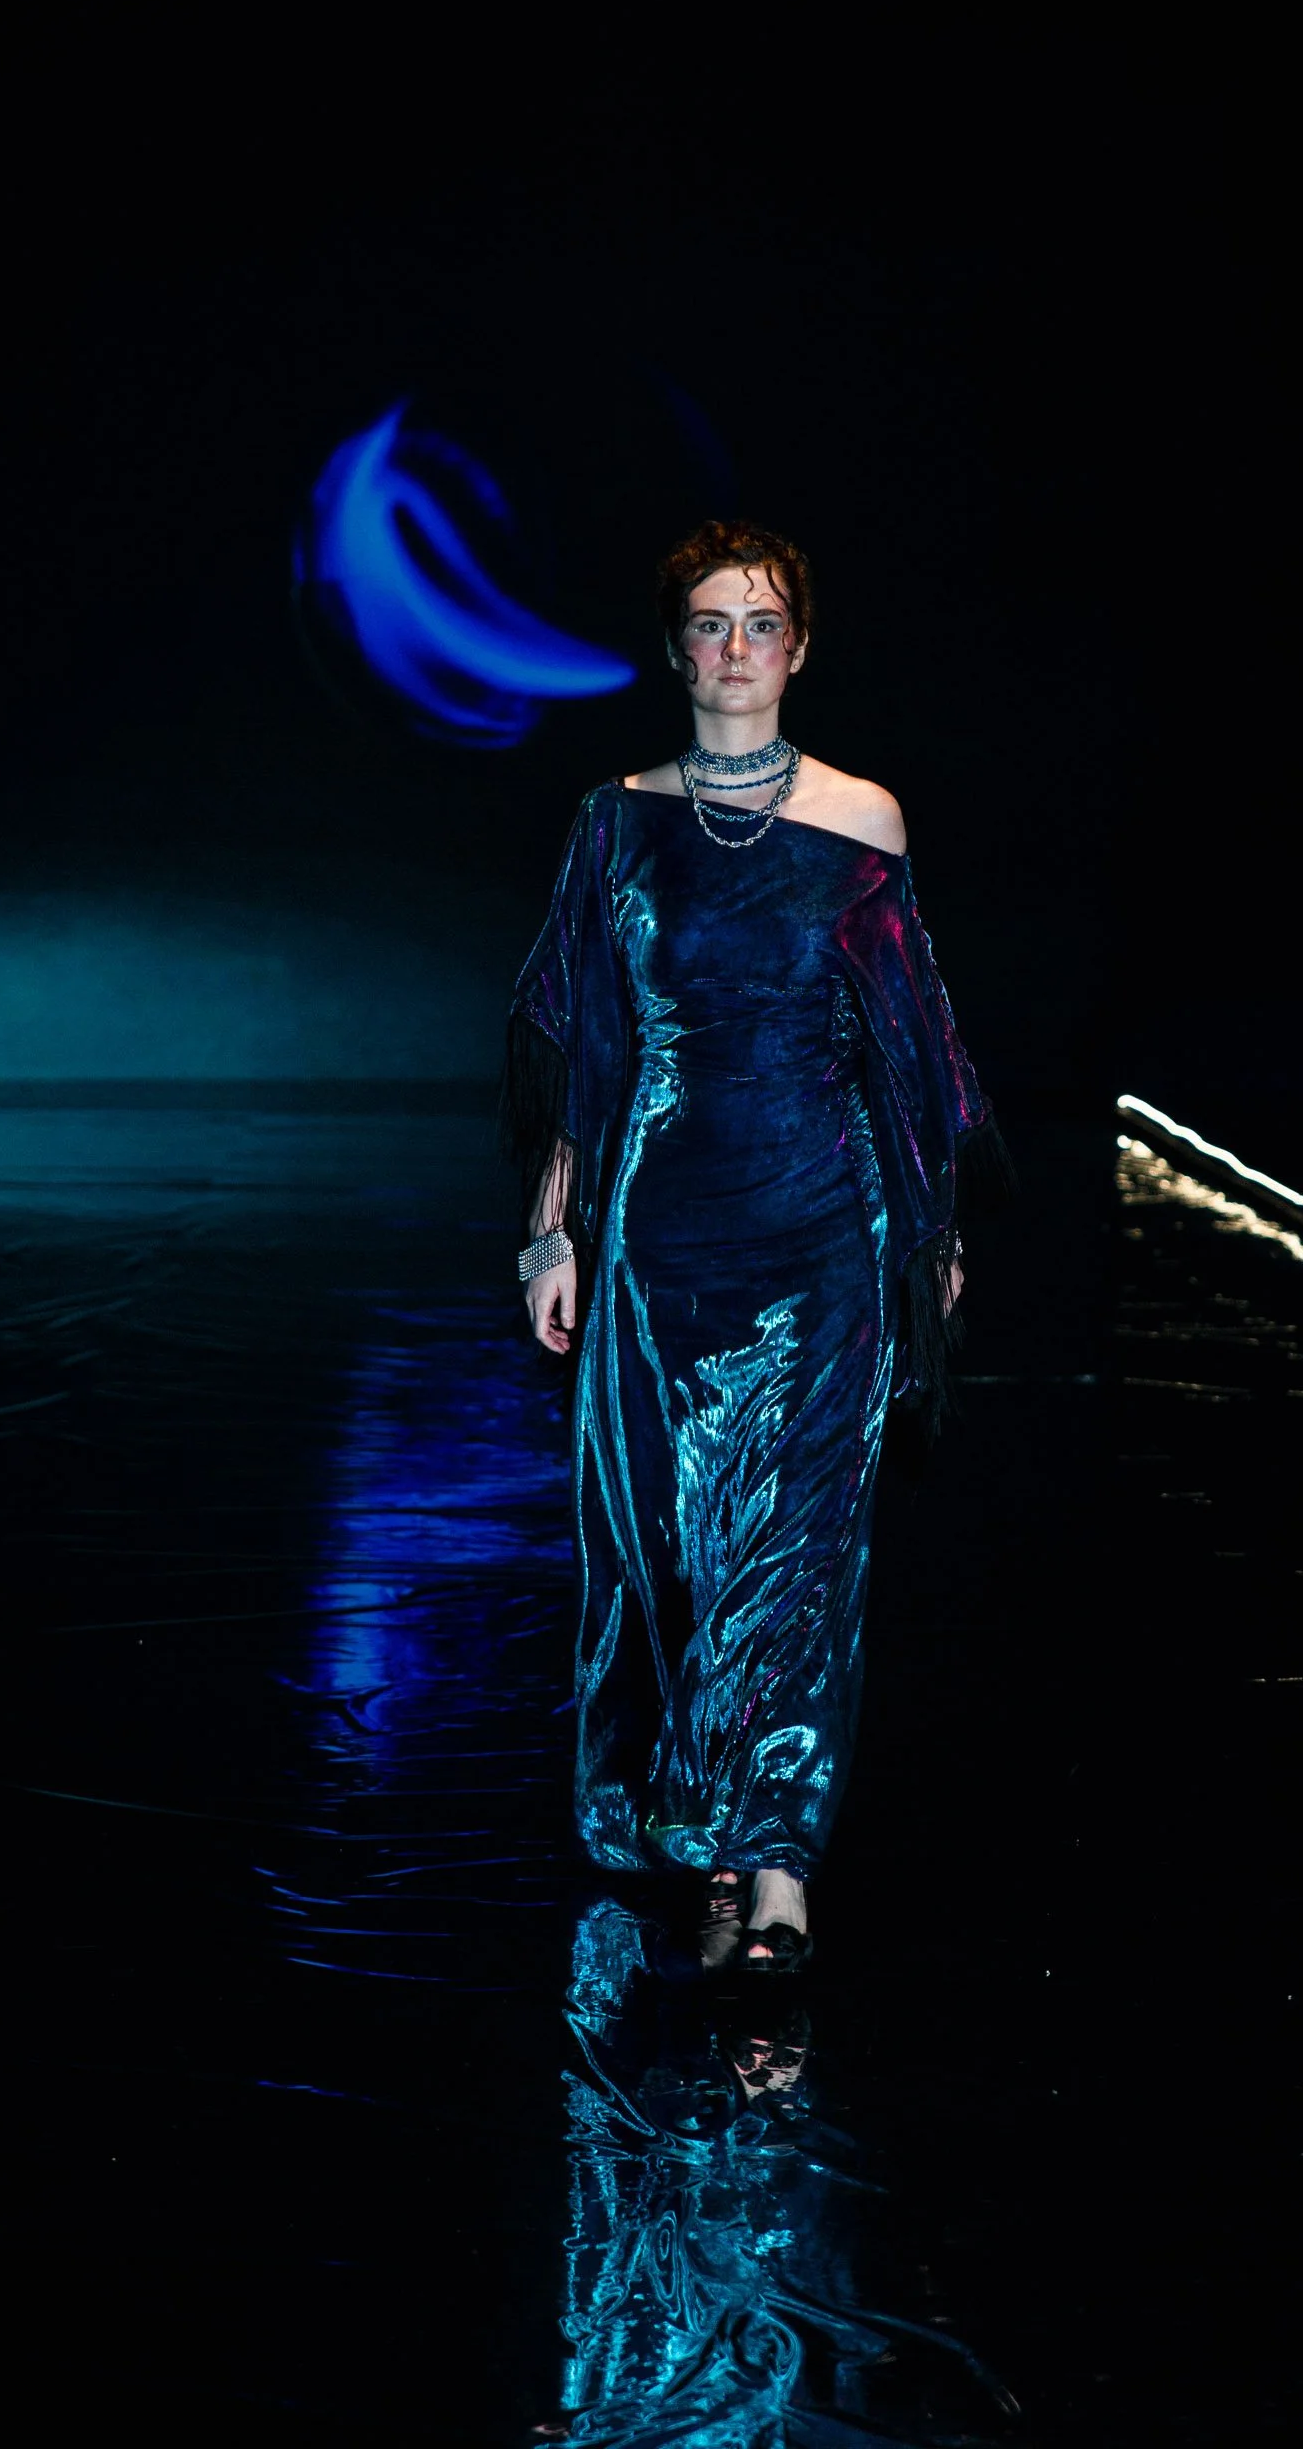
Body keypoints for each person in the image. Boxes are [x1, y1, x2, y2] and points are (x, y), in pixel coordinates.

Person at [504, 521, 1006, 1971]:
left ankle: (773, 1867)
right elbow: (586, 1050)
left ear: (800, 645)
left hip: (820, 1227)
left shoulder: (864, 820)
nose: (736, 649)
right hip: (661, 1236)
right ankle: (706, 1828)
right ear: (676, 649)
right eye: (710, 624)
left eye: (762, 622)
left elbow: (911, 1049)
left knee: (796, 1551)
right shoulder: (615, 822)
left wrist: (930, 1238)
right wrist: (551, 1241)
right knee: (668, 1549)